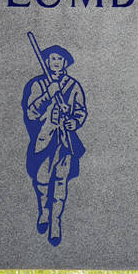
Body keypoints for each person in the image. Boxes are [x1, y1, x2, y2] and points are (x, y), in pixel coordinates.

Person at [21, 44, 87, 246]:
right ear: (47, 62)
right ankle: (44, 211)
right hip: (43, 140)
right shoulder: (38, 85)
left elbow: (80, 111)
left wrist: (73, 122)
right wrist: (48, 94)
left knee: (60, 183)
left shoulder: (73, 86)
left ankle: (56, 222)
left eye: (59, 59)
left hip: (65, 142)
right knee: (41, 180)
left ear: (65, 63)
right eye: (52, 59)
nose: (55, 63)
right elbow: (31, 113)